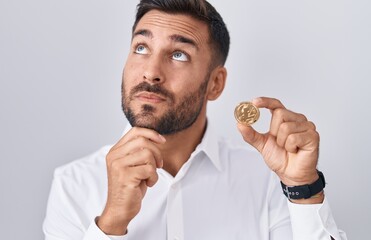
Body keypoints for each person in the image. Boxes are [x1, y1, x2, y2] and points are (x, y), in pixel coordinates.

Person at [43, 0, 347, 239]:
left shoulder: (268, 179)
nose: (150, 71)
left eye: (179, 54)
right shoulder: (73, 184)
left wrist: (303, 187)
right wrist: (110, 224)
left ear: (215, 84)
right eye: (141, 47)